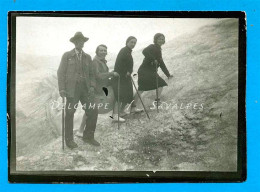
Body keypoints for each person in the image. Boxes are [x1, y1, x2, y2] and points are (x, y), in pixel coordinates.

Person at [57, 32, 99, 149]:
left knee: (93, 110)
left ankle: (88, 137)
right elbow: (61, 73)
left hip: (85, 90)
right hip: (71, 90)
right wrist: (62, 89)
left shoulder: (87, 57)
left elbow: (91, 74)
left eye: (82, 41)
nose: (81, 43)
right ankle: (69, 140)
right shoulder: (67, 55)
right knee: (70, 114)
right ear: (75, 42)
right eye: (78, 41)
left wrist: (91, 86)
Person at [76, 44, 120, 137]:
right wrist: (111, 74)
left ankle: (115, 114)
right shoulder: (96, 62)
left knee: (91, 109)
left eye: (105, 50)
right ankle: (80, 131)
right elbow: (98, 75)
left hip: (101, 86)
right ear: (97, 51)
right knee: (90, 110)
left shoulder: (101, 61)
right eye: (101, 50)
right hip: (96, 88)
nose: (103, 52)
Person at [131, 33, 173, 112]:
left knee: (143, 88)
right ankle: (156, 101)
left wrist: (168, 74)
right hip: (145, 70)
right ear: (155, 39)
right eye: (159, 38)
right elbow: (144, 51)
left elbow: (161, 64)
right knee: (159, 84)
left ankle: (133, 107)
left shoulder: (159, 49)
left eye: (162, 39)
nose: (161, 40)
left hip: (148, 71)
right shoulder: (152, 46)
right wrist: (153, 59)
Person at [112, 36, 137, 119]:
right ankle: (115, 115)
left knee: (128, 95)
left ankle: (121, 112)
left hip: (126, 77)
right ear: (127, 42)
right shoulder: (123, 50)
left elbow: (129, 65)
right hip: (120, 77)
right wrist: (125, 71)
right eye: (131, 42)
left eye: (134, 42)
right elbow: (119, 63)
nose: (133, 44)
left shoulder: (129, 51)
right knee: (120, 95)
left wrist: (129, 71)